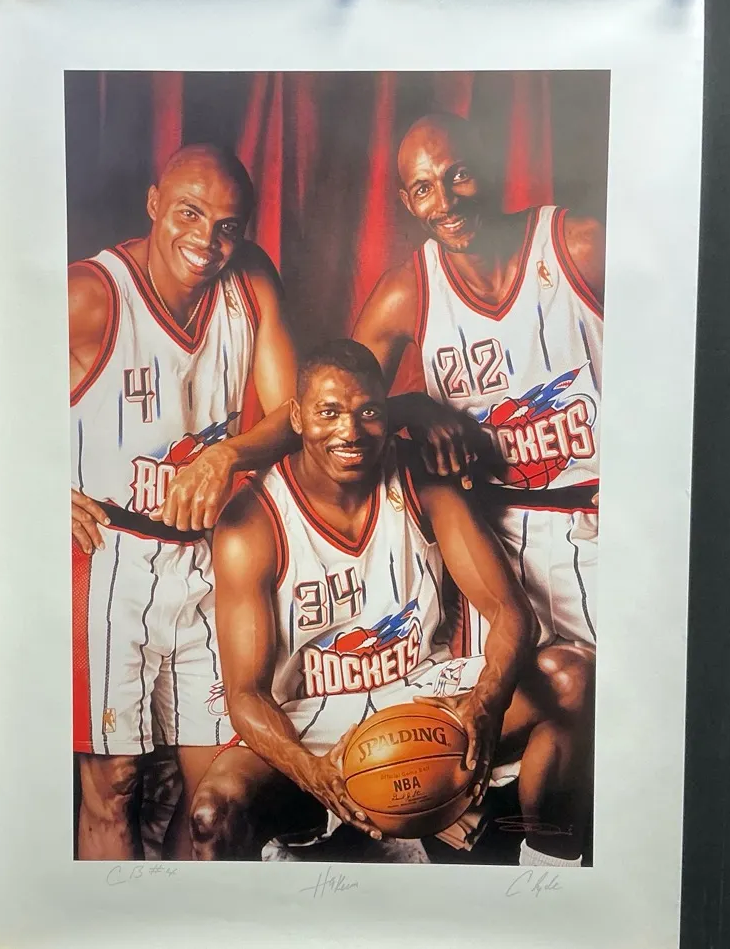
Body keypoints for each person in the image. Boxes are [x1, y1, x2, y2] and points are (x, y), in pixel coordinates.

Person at [190, 340, 592, 865]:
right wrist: (313, 774)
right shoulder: (253, 522)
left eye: (368, 412)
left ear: (388, 413)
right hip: (313, 720)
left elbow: (509, 612)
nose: (350, 432)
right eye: (328, 412)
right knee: (215, 816)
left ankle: (548, 877)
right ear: (297, 418)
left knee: (572, 678)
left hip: (423, 697)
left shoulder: (421, 481)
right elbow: (246, 695)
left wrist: (487, 703)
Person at [68, 143, 298, 859]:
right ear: (153, 204)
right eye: (189, 214)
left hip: (207, 558)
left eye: (227, 226)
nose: (206, 239)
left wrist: (228, 454)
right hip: (109, 559)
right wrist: (32, 485)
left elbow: (292, 414)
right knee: (115, 784)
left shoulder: (249, 279)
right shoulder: (90, 295)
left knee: (214, 798)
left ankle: (181, 912)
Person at [351, 111, 605, 656]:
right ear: (407, 202)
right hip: (494, 545)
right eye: (424, 189)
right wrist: (412, 408)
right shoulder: (407, 293)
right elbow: (336, 408)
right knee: (521, 696)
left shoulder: (579, 247)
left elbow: (678, 367)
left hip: (599, 524)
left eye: (459, 175)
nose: (445, 203)